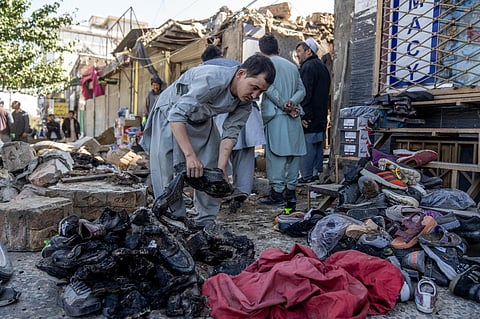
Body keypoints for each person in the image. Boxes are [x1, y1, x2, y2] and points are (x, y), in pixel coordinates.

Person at [140, 53, 275, 228]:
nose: (255, 94)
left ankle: (205, 222)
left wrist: (220, 170)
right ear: (241, 74)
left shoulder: (245, 102)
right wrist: (190, 155)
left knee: (212, 170)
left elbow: (229, 135)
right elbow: (177, 116)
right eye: (254, 87)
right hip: (170, 114)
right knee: (167, 170)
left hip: (201, 118)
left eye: (261, 92)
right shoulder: (212, 78)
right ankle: (173, 222)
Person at [202, 45, 266, 211]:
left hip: (227, 113)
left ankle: (218, 192)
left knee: (217, 155)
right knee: (244, 156)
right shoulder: (237, 65)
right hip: (248, 114)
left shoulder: (206, 69)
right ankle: (242, 192)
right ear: (221, 54)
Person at [258, 33, 306, 207]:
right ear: (278, 49)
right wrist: (292, 103)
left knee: (276, 156)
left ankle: (277, 194)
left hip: (276, 116)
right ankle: (291, 193)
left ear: (261, 51)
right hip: (294, 116)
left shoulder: (266, 65)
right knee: (293, 155)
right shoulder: (293, 66)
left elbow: (268, 88)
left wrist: (283, 104)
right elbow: (302, 91)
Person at [295, 37, 331, 184]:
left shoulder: (308, 67)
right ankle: (316, 174)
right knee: (317, 146)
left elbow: (305, 93)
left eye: (299, 51)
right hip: (320, 114)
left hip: (310, 115)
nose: (297, 54)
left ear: (308, 51)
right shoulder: (322, 66)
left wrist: (304, 115)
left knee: (307, 147)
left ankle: (307, 176)